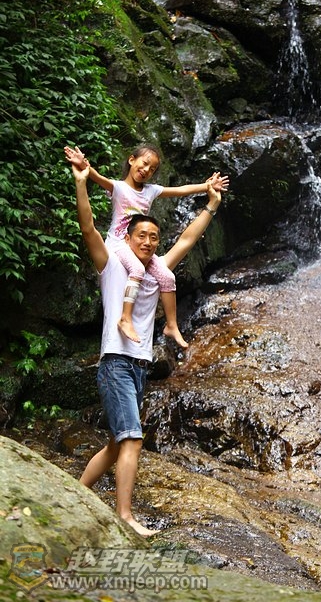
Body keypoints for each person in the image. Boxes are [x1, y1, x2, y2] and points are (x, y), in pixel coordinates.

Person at [71, 158, 223, 536]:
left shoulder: (158, 273)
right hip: (116, 362)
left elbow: (187, 239)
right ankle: (125, 517)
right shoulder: (112, 266)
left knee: (115, 443)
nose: (148, 242)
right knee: (133, 439)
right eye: (141, 235)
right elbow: (88, 227)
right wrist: (82, 183)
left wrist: (211, 205)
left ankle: (73, 494)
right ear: (127, 238)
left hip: (140, 365)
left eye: (154, 237)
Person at [64, 144, 228, 349]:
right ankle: (125, 318)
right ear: (132, 160)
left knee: (167, 276)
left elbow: (180, 190)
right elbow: (96, 177)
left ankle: (171, 325)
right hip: (119, 244)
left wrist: (207, 186)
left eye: (152, 169)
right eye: (144, 163)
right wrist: (83, 164)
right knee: (137, 269)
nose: (146, 170)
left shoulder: (151, 191)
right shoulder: (119, 188)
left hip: (136, 250)